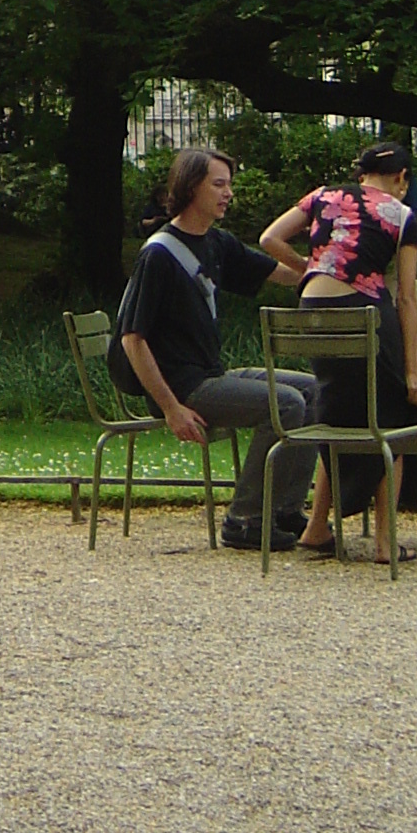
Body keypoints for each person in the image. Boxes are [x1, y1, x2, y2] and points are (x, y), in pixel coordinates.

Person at [109, 146, 322, 553]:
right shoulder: (158, 255)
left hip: (211, 374)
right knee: (287, 403)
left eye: (230, 185)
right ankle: (244, 519)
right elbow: (132, 340)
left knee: (315, 390)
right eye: (219, 184)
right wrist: (171, 409)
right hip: (182, 387)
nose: (228, 194)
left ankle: (284, 512)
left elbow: (275, 272)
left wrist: (326, 272)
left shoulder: (216, 242)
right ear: (191, 187)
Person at [260, 138, 417, 565]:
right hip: (362, 311)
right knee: (392, 414)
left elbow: (269, 238)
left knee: (336, 410)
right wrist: (412, 370)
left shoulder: (322, 196)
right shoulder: (401, 215)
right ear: (401, 178)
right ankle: (386, 542)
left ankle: (317, 528)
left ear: (361, 174)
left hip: (313, 311)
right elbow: (406, 298)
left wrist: (312, 268)